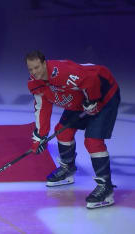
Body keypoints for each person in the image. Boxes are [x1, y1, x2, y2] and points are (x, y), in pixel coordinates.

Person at [25, 50, 120, 209]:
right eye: (30, 69)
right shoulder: (35, 83)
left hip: (103, 94)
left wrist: (92, 100)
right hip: (80, 98)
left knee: (93, 141)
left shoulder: (62, 72)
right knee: (62, 131)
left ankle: (106, 187)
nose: (34, 72)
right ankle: (67, 168)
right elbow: (42, 109)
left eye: (37, 67)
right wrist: (39, 136)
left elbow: (90, 80)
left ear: (44, 63)